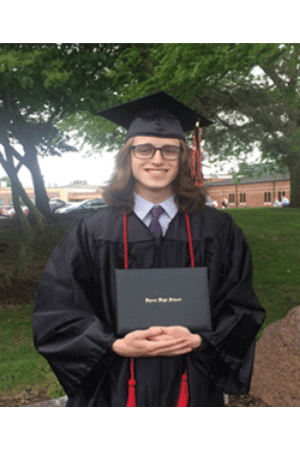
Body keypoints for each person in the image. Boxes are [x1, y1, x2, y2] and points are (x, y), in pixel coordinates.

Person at [33, 91, 265, 407]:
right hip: (116, 383)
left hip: (193, 378)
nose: (157, 159)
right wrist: (111, 345)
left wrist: (200, 339)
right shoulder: (93, 231)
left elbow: (242, 306)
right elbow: (58, 308)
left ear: (185, 158)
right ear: (127, 157)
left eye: (169, 150)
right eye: (144, 149)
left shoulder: (217, 229)